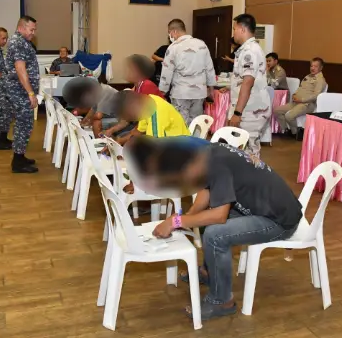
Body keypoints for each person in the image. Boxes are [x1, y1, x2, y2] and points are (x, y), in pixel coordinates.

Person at [126, 136, 302, 322]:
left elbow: (219, 216)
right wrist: (188, 217)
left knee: (215, 234)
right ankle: (209, 272)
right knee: (203, 219)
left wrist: (176, 221)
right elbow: (207, 189)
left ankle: (222, 300)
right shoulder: (208, 154)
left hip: (278, 220)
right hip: (263, 209)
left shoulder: (216, 165)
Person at [224, 14, 271, 157]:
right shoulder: (247, 49)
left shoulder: (249, 51)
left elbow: (248, 82)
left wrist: (237, 113)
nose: (233, 33)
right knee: (242, 150)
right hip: (248, 108)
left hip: (251, 110)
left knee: (249, 153)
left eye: (234, 29)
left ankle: (252, 173)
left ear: (242, 29)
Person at [159, 19, 215, 126]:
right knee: (196, 124)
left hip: (181, 93)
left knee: (181, 124)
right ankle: (196, 137)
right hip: (199, 93)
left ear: (174, 31)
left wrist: (162, 92)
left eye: (169, 33)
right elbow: (209, 68)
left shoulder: (173, 47)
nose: (170, 36)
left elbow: (166, 72)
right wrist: (211, 89)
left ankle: (183, 137)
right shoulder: (201, 44)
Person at [5, 16, 40, 173]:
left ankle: (20, 156)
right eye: (31, 29)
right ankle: (18, 163)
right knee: (23, 124)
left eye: (34, 30)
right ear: (21, 28)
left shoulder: (20, 41)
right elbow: (20, 69)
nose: (33, 33)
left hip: (20, 90)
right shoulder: (19, 42)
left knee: (24, 124)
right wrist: (30, 93)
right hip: (20, 91)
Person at [274, 58, 327, 137]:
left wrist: (301, 100)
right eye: (311, 66)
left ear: (321, 68)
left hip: (307, 104)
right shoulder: (308, 76)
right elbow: (300, 88)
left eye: (315, 66)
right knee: (277, 111)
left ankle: (295, 133)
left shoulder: (320, 80)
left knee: (289, 116)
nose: (312, 68)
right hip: (296, 102)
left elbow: (316, 95)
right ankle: (286, 130)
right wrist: (294, 95)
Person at [62, 77, 131, 138]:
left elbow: (98, 115)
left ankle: (100, 144)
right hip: (113, 116)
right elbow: (92, 110)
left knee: (96, 123)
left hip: (122, 119)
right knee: (91, 120)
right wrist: (83, 122)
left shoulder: (105, 91)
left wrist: (89, 121)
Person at [113, 90, 190, 143]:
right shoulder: (147, 103)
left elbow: (156, 146)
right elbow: (138, 132)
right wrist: (118, 142)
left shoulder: (154, 113)